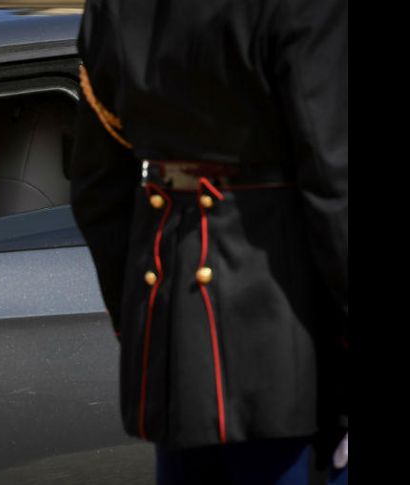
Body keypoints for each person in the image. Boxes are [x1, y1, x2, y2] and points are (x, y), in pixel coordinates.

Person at [69, 0, 347, 484]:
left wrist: (140, 322)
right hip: (288, 341)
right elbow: (334, 184)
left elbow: (98, 191)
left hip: (171, 329)